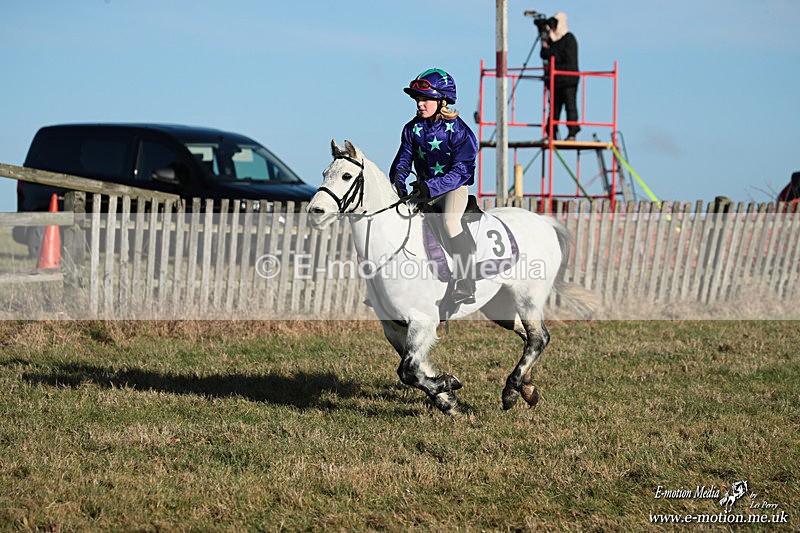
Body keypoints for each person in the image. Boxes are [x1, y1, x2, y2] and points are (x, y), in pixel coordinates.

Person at [389, 68, 479, 307]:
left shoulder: (461, 131)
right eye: (418, 99)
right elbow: (402, 161)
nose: (420, 104)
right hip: (423, 190)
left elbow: (463, 171)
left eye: (426, 99)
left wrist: (429, 187)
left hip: (453, 189)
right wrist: (398, 184)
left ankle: (466, 283)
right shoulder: (411, 129)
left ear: (442, 100)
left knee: (450, 222)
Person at [540, 12, 580, 141]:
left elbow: (564, 56)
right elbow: (544, 54)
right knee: (554, 109)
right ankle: (551, 132)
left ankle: (572, 133)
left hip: (569, 79)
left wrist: (550, 50)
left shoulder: (569, 39)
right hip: (556, 81)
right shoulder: (552, 40)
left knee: (570, 106)